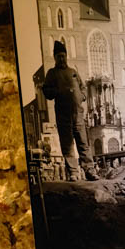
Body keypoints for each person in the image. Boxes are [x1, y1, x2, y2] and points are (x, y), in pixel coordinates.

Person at [42, 41, 99, 182]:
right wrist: (59, 91)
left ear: (66, 56)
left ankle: (90, 171)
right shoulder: (52, 73)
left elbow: (83, 87)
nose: (62, 59)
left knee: (83, 143)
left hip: (78, 114)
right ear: (55, 58)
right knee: (67, 144)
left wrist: (82, 96)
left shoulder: (73, 72)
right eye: (59, 57)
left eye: (63, 56)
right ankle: (73, 172)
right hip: (63, 115)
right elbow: (46, 91)